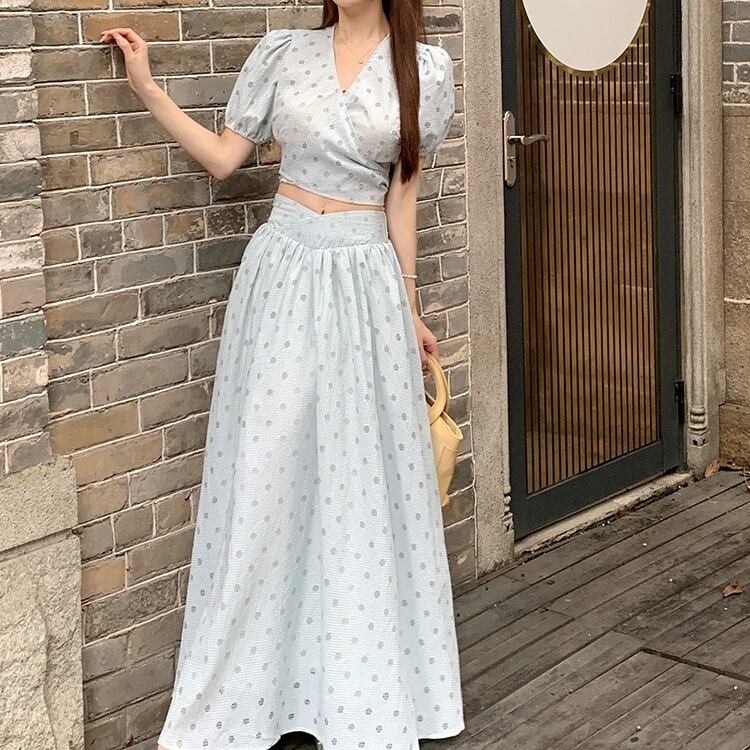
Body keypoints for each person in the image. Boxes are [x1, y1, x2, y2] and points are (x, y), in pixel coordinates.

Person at [100, 0, 465, 747]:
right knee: (268, 476)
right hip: (284, 274)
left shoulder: (425, 70)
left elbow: (402, 194)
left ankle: (359, 695)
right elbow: (224, 159)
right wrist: (149, 87)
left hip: (365, 282)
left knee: (360, 485)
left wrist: (410, 307)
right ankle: (256, 695)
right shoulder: (283, 52)